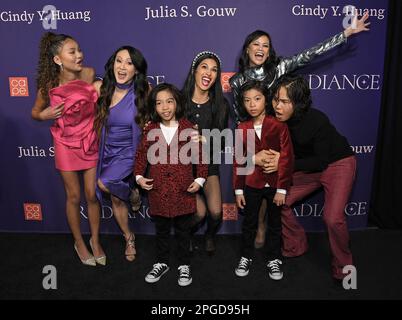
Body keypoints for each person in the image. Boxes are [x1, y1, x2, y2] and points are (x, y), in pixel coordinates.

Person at [230, 12, 370, 248]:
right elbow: (238, 115)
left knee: (274, 183)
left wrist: (345, 33)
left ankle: (265, 227)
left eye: (266, 45)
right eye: (256, 44)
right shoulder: (236, 82)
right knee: (254, 181)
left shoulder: (279, 68)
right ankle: (259, 226)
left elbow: (311, 54)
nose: (261, 49)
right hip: (255, 134)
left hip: (280, 132)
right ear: (247, 49)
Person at [271, 74, 356, 282]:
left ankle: (344, 268)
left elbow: (320, 161)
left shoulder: (316, 120)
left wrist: (284, 163)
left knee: (332, 218)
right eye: (275, 99)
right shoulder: (278, 122)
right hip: (311, 167)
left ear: (298, 103)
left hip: (338, 164)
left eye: (284, 101)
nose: (277, 106)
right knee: (280, 200)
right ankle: (296, 244)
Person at [31, 32, 105, 266]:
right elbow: (35, 112)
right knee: (74, 196)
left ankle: (95, 240)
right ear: (57, 59)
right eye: (72, 51)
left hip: (89, 139)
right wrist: (44, 114)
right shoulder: (49, 85)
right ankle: (79, 242)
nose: (79, 55)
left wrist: (101, 88)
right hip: (64, 142)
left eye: (79, 50)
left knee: (92, 195)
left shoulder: (90, 74)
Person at [135, 83, 208, 286]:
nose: (165, 107)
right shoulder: (150, 128)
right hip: (158, 190)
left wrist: (200, 179)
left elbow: (200, 157)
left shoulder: (189, 128)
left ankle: (184, 265)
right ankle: (162, 262)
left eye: (169, 101)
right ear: (154, 107)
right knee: (162, 231)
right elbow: (141, 155)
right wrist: (139, 177)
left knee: (184, 231)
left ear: (177, 103)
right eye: (159, 103)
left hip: (183, 190)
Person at [233, 81, 293, 280]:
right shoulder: (241, 128)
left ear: (266, 100)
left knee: (275, 223)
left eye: (257, 99)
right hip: (252, 184)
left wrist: (282, 190)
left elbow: (286, 158)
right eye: (247, 100)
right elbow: (238, 160)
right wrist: (239, 191)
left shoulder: (279, 126)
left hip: (275, 184)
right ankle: (245, 256)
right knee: (249, 222)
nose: (252, 104)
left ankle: (273, 259)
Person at [93, 46, 149, 262]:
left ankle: (133, 194)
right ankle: (129, 236)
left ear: (136, 70)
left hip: (130, 151)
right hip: (106, 150)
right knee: (116, 199)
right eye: (119, 60)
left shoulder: (144, 91)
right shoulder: (101, 88)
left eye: (129, 63)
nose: (122, 67)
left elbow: (159, 116)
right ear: (112, 63)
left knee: (105, 183)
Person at [182, 51, 229, 255]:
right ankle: (187, 234)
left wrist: (206, 138)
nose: (209, 72)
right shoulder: (178, 100)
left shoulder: (220, 104)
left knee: (216, 212)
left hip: (208, 164)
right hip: (183, 167)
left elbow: (223, 140)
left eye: (214, 69)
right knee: (199, 213)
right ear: (194, 70)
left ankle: (210, 235)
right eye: (204, 67)